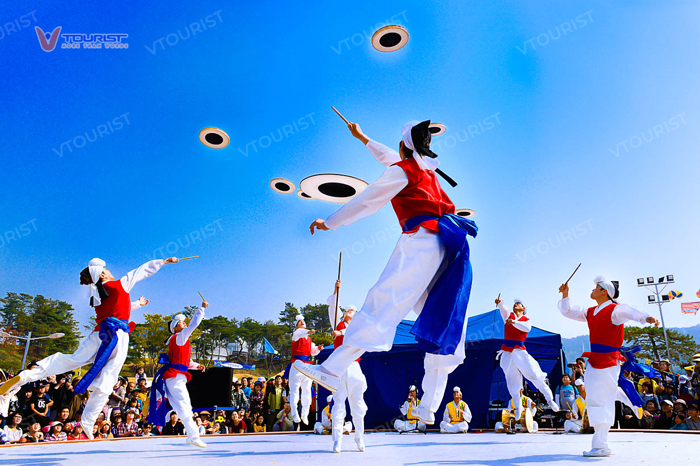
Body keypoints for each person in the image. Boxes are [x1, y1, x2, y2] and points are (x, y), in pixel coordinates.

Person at [297, 120, 477, 429]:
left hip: (422, 243)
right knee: (444, 321)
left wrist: (331, 222)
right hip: (448, 248)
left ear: (403, 147)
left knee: (385, 302)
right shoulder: (425, 171)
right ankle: (428, 406)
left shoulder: (403, 171)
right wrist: (364, 137)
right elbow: (391, 158)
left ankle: (333, 367)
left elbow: (367, 200)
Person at [0, 257, 179, 440]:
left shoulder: (97, 294)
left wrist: (137, 304)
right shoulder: (119, 284)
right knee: (108, 379)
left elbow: (118, 309)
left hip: (98, 335)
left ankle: (28, 375)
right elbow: (141, 271)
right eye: (107, 270)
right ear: (102, 274)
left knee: (72, 359)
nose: (110, 271)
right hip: (117, 337)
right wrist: (164, 261)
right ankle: (88, 420)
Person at [558, 276, 660, 457]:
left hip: (609, 359)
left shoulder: (615, 310)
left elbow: (630, 310)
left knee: (600, 400)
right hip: (595, 360)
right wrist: (566, 295)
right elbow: (568, 311)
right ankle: (628, 398)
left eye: (596, 287)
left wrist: (645, 317)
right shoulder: (591, 312)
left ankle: (601, 445)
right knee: (595, 395)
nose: (592, 289)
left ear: (604, 291)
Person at [148, 299, 207, 448]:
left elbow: (184, 362)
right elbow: (194, 324)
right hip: (176, 377)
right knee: (185, 406)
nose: (184, 323)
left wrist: (196, 366)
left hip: (173, 376)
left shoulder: (177, 339)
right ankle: (193, 436)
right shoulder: (180, 337)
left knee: (181, 408)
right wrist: (202, 309)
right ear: (175, 328)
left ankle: (192, 435)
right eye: (181, 322)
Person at [495, 296, 559, 420]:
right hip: (508, 352)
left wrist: (514, 322)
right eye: (514, 304)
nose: (515, 305)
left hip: (520, 352)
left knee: (534, 375)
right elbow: (504, 309)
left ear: (523, 308)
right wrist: (500, 303)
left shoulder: (526, 320)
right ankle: (518, 408)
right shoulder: (508, 316)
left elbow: (526, 328)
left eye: (518, 304)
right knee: (513, 381)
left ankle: (550, 400)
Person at [327, 279, 367, 452]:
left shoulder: (357, 327)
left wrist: (341, 332)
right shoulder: (338, 323)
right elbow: (333, 307)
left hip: (354, 367)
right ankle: (338, 440)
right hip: (340, 368)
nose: (348, 312)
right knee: (338, 404)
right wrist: (336, 291)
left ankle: (360, 437)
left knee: (358, 405)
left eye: (351, 310)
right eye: (347, 310)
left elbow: (353, 334)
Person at [288, 314, 323, 425]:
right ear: (296, 325)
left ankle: (305, 414)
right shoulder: (296, 334)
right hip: (297, 364)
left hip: (307, 365)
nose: (302, 322)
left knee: (307, 390)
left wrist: (318, 348)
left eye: (303, 321)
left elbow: (312, 352)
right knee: (295, 390)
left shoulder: (309, 339)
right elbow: (301, 332)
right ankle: (294, 413)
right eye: (300, 321)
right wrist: (308, 331)